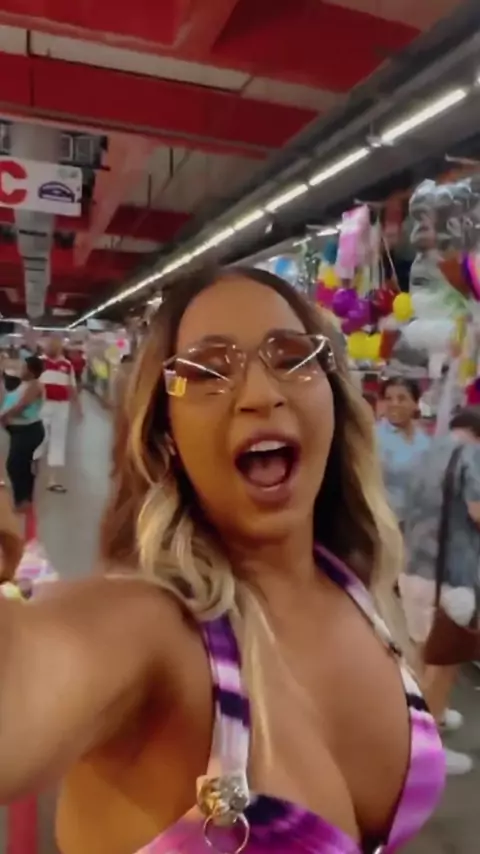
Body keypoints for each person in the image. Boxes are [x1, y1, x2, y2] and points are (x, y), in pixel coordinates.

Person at [0, 267, 444, 854]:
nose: (262, 394)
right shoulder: (152, 632)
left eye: (293, 357)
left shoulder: (363, 587)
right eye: (208, 371)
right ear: (166, 436)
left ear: (335, 402)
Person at [401, 406, 480, 776]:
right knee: (445, 664)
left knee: (423, 654)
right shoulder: (471, 456)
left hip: (413, 570)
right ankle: (426, 752)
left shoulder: (425, 454)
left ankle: (428, 717)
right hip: (451, 575)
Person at [376, 378, 431, 527]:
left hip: (417, 522)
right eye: (388, 398)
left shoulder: (424, 440)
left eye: (402, 399)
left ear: (415, 403)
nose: (394, 404)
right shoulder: (374, 437)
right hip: (385, 521)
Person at [0, 355, 45, 512]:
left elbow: (22, 405)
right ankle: (24, 500)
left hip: (29, 430)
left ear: (31, 371)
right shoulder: (24, 384)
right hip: (18, 430)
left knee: (15, 465)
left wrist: (4, 415)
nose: (21, 369)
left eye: (24, 367)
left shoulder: (35, 385)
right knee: (22, 465)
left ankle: (23, 499)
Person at [41, 335, 82, 493]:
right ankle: (30, 472)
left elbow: (71, 387)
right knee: (39, 439)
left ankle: (52, 479)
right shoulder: (38, 362)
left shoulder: (67, 365)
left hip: (61, 407)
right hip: (42, 405)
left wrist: (78, 407)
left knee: (58, 441)